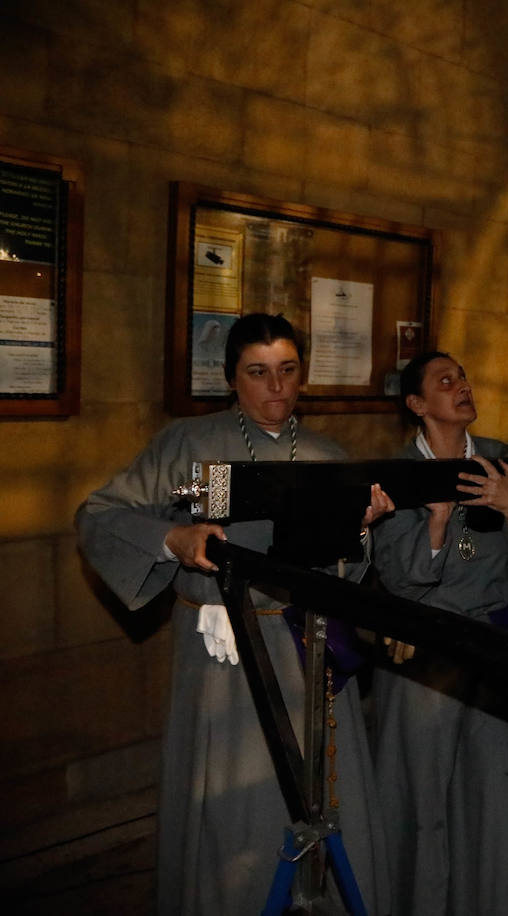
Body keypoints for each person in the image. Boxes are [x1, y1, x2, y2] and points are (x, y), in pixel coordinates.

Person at [75, 313, 393, 915]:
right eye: (257, 373)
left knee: (325, 788)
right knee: (235, 798)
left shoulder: (330, 456)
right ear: (230, 379)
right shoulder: (187, 445)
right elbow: (99, 514)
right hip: (227, 647)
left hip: (312, 643)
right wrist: (175, 539)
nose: (275, 387)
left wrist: (360, 529)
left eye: (287, 371)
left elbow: (347, 565)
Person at [369, 351, 508, 916]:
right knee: (420, 793)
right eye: (445, 381)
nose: (462, 386)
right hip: (424, 645)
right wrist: (437, 521)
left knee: (494, 789)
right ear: (418, 405)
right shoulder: (397, 474)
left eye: (464, 377)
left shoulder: (499, 463)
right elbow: (397, 577)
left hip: (493, 645)